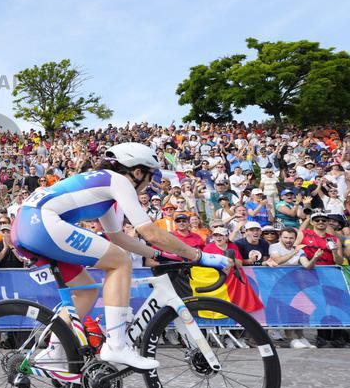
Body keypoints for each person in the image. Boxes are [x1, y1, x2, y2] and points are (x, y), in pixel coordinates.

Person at [14, 142, 231, 370]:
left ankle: (54, 352)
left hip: (28, 224)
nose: (150, 183)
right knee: (120, 262)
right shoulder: (119, 181)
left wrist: (158, 254)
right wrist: (199, 256)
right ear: (137, 172)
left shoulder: (104, 188)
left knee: (85, 292)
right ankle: (116, 345)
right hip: (42, 222)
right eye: (150, 175)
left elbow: (118, 237)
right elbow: (149, 232)